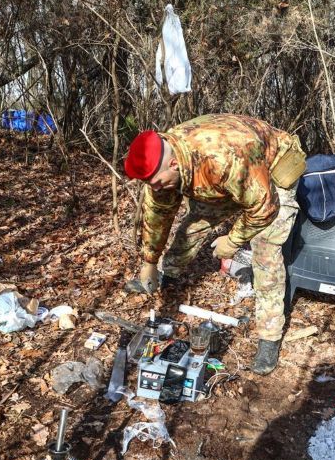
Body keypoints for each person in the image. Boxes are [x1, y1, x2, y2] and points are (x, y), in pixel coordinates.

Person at [122, 114, 306, 375]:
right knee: (194, 225)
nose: (154, 187)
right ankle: (168, 274)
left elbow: (265, 208)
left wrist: (232, 242)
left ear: (174, 165)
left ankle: (270, 336)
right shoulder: (167, 163)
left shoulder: (224, 158)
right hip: (225, 176)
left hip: (269, 169)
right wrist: (149, 261)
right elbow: (158, 214)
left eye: (157, 181)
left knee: (265, 249)